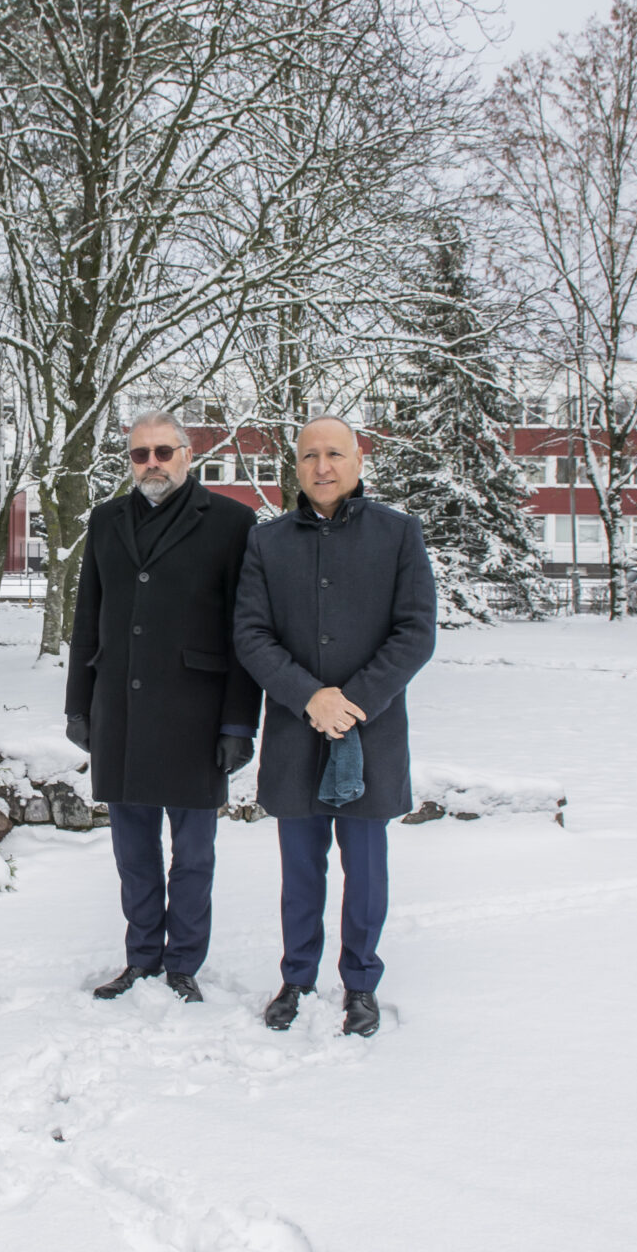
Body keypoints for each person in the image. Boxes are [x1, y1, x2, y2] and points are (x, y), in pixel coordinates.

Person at [233, 416, 436, 1035]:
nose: (322, 467)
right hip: (296, 733)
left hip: (370, 734)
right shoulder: (268, 542)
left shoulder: (399, 534)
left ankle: (361, 984)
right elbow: (251, 633)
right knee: (300, 870)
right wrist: (307, 696)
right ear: (296, 466)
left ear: (357, 459)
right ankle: (296, 976)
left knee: (367, 871)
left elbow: (416, 632)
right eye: (309, 456)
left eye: (335, 454)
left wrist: (351, 702)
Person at [65, 410, 260, 1003]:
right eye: (139, 454)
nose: (151, 464)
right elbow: (88, 618)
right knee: (133, 852)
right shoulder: (106, 520)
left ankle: (182, 964)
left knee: (194, 854)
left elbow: (243, 631)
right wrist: (79, 706)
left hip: (197, 718)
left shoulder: (231, 522)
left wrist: (237, 722)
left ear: (186, 454)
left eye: (162, 452)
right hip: (119, 710)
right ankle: (142, 958)